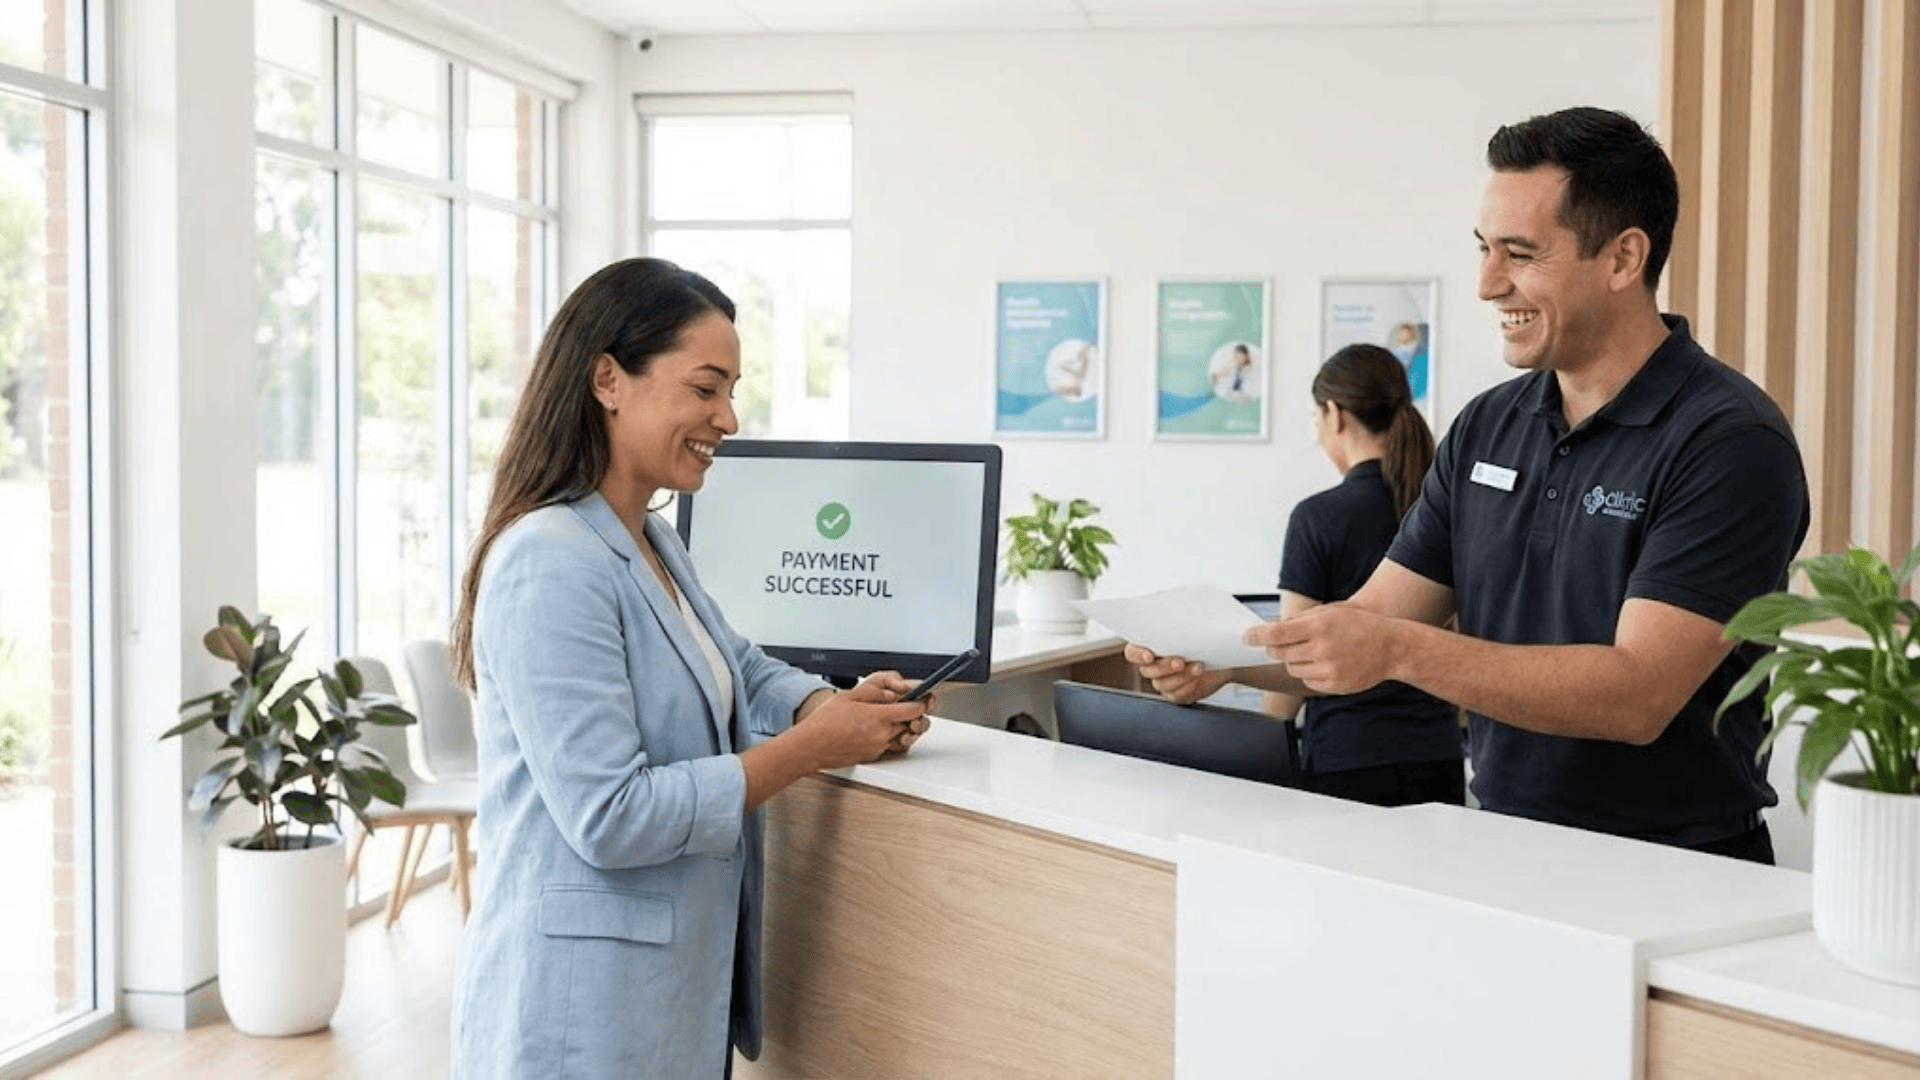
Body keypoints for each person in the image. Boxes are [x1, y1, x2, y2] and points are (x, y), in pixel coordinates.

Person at [1131, 107, 1807, 864]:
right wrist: (1224, 662)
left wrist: (1397, 650)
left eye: (1518, 253)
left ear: (1622, 260)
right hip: (1502, 839)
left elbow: (1636, 694)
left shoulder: (1728, 441)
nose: (1488, 284)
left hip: (1679, 863)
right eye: (1484, 249)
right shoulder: (1490, 424)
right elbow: (1367, 624)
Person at [447, 257, 931, 1078]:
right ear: (608, 379)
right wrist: (814, 748)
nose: (730, 419)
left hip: (655, 1005)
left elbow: (735, 666)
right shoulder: (550, 560)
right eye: (706, 389)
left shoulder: (650, 537)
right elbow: (612, 815)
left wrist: (826, 705)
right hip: (577, 1017)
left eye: (731, 391)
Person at [1267, 343, 1463, 806]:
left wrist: (1257, 751)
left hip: (1348, 760)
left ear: (1335, 415)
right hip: (1437, 758)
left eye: (1317, 419)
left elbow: (1298, 660)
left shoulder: (1318, 517)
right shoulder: (1441, 510)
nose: (1317, 433)